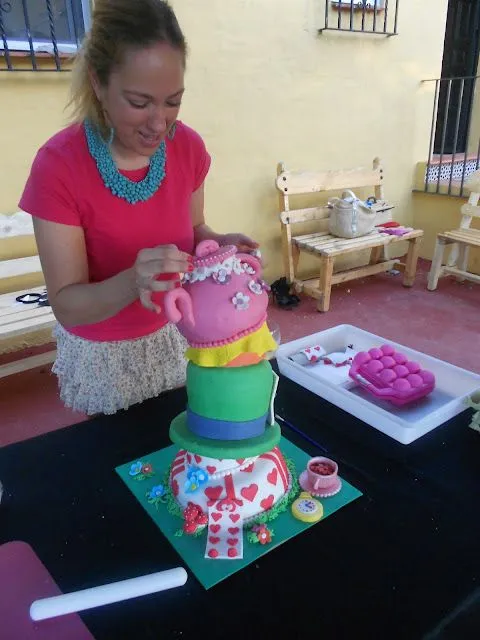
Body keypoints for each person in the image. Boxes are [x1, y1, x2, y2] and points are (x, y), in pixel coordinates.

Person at [19, 0, 258, 416]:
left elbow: (195, 226)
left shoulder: (187, 148)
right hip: (107, 360)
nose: (159, 122)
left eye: (173, 101)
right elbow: (67, 303)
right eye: (139, 101)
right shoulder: (59, 166)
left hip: (181, 335)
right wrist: (133, 280)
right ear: (98, 83)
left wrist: (220, 243)